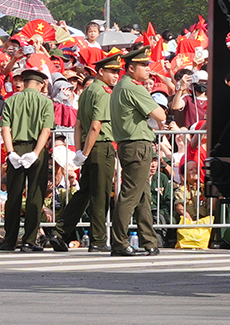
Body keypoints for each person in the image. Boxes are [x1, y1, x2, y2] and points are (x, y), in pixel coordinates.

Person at [60, 51, 120, 251]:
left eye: (117, 71)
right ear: (101, 71)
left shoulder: (87, 91)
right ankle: (98, 240)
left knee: (84, 192)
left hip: (88, 146)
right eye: (112, 71)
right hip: (100, 146)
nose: (116, 75)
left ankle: (59, 231)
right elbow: (96, 126)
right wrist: (84, 152)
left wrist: (80, 151)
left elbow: (78, 125)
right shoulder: (102, 92)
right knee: (100, 194)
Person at [110, 46, 166, 257]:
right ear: (131, 68)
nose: (148, 69)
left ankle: (149, 241)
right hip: (137, 144)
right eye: (143, 65)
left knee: (142, 195)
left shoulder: (121, 86)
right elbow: (159, 114)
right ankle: (119, 242)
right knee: (131, 195)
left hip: (131, 144)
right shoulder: (134, 87)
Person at [0, 66, 56, 251]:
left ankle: (9, 240)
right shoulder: (46, 102)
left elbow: (5, 129)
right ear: (41, 85)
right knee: (35, 196)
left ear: (24, 83)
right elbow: (45, 130)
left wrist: (11, 153)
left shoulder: (11, 101)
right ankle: (29, 240)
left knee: (13, 196)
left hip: (15, 147)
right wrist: (36, 152)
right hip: (36, 149)